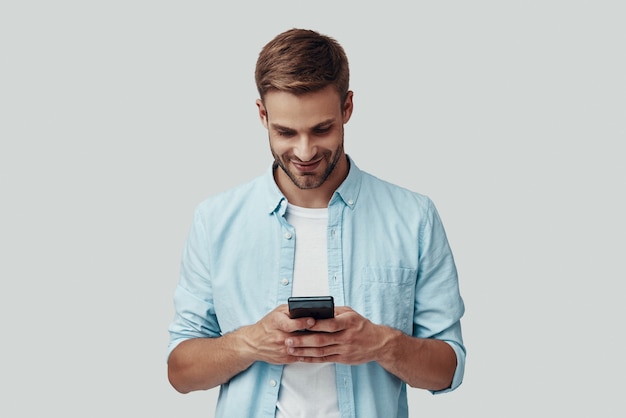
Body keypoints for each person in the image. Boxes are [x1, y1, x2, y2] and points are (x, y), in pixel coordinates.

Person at [167, 28, 466, 418]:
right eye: (285, 132)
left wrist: (380, 344)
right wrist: (249, 344)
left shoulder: (414, 217)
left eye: (321, 129)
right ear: (262, 115)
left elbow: (449, 369)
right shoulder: (215, 220)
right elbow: (179, 371)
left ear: (347, 108)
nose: (304, 151)